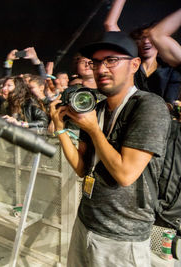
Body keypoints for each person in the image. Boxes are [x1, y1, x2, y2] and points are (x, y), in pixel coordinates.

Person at [50, 31, 170, 266]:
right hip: (85, 223)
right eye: (96, 62)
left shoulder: (149, 106)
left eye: (111, 60)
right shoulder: (96, 109)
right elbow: (83, 169)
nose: (101, 69)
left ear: (135, 64)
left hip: (123, 238)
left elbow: (125, 174)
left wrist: (94, 130)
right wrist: (60, 128)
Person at [104, 0, 181, 104]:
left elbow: (171, 102)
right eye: (142, 38)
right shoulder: (130, 64)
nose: (146, 41)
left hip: (160, 117)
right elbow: (110, 24)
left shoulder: (170, 69)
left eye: (150, 38)